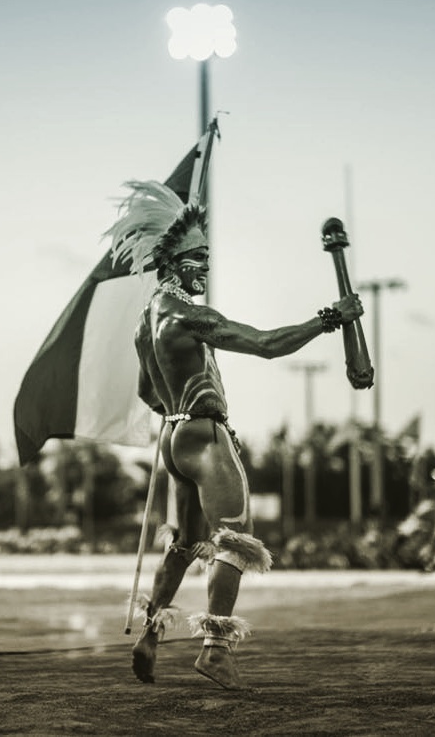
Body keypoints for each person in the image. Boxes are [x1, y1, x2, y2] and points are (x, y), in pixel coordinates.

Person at [107, 181, 363, 689]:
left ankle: (151, 635)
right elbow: (267, 345)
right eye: (199, 257)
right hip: (202, 436)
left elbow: (146, 391)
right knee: (236, 539)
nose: (206, 266)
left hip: (174, 439)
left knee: (184, 544)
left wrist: (180, 409)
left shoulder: (146, 322)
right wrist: (332, 318)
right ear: (174, 260)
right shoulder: (189, 316)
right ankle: (216, 649)